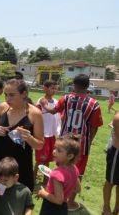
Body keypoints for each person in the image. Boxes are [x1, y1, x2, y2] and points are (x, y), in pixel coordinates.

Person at [40, 74, 103, 210]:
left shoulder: (66, 98)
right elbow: (95, 126)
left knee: (61, 169)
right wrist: (89, 140)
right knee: (77, 172)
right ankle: (70, 202)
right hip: (81, 145)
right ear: (87, 86)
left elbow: (53, 111)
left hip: (64, 143)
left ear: (74, 85)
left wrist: (44, 104)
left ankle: (57, 194)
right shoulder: (94, 104)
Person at [0, 79, 44, 192]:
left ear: (24, 94)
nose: (7, 99)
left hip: (20, 163)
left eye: (12, 95)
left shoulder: (35, 113)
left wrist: (29, 138)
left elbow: (40, 145)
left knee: (16, 199)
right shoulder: (2, 107)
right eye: (5, 95)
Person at [37, 137, 81, 215]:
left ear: (70, 156)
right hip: (63, 209)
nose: (54, 152)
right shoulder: (74, 169)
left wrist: (43, 193)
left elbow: (58, 200)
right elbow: (77, 189)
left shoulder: (56, 174)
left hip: (51, 208)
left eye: (59, 151)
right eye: (55, 148)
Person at [34, 80, 61, 184]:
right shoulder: (41, 101)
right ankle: (34, 178)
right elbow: (36, 115)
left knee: (49, 159)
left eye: (55, 88)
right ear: (45, 88)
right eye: (52, 88)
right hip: (43, 134)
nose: (54, 90)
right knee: (40, 159)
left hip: (52, 134)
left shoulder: (55, 101)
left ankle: (46, 180)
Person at [102, 112, 119, 215]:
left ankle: (117, 208)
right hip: (117, 153)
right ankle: (106, 208)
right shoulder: (118, 117)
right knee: (110, 181)